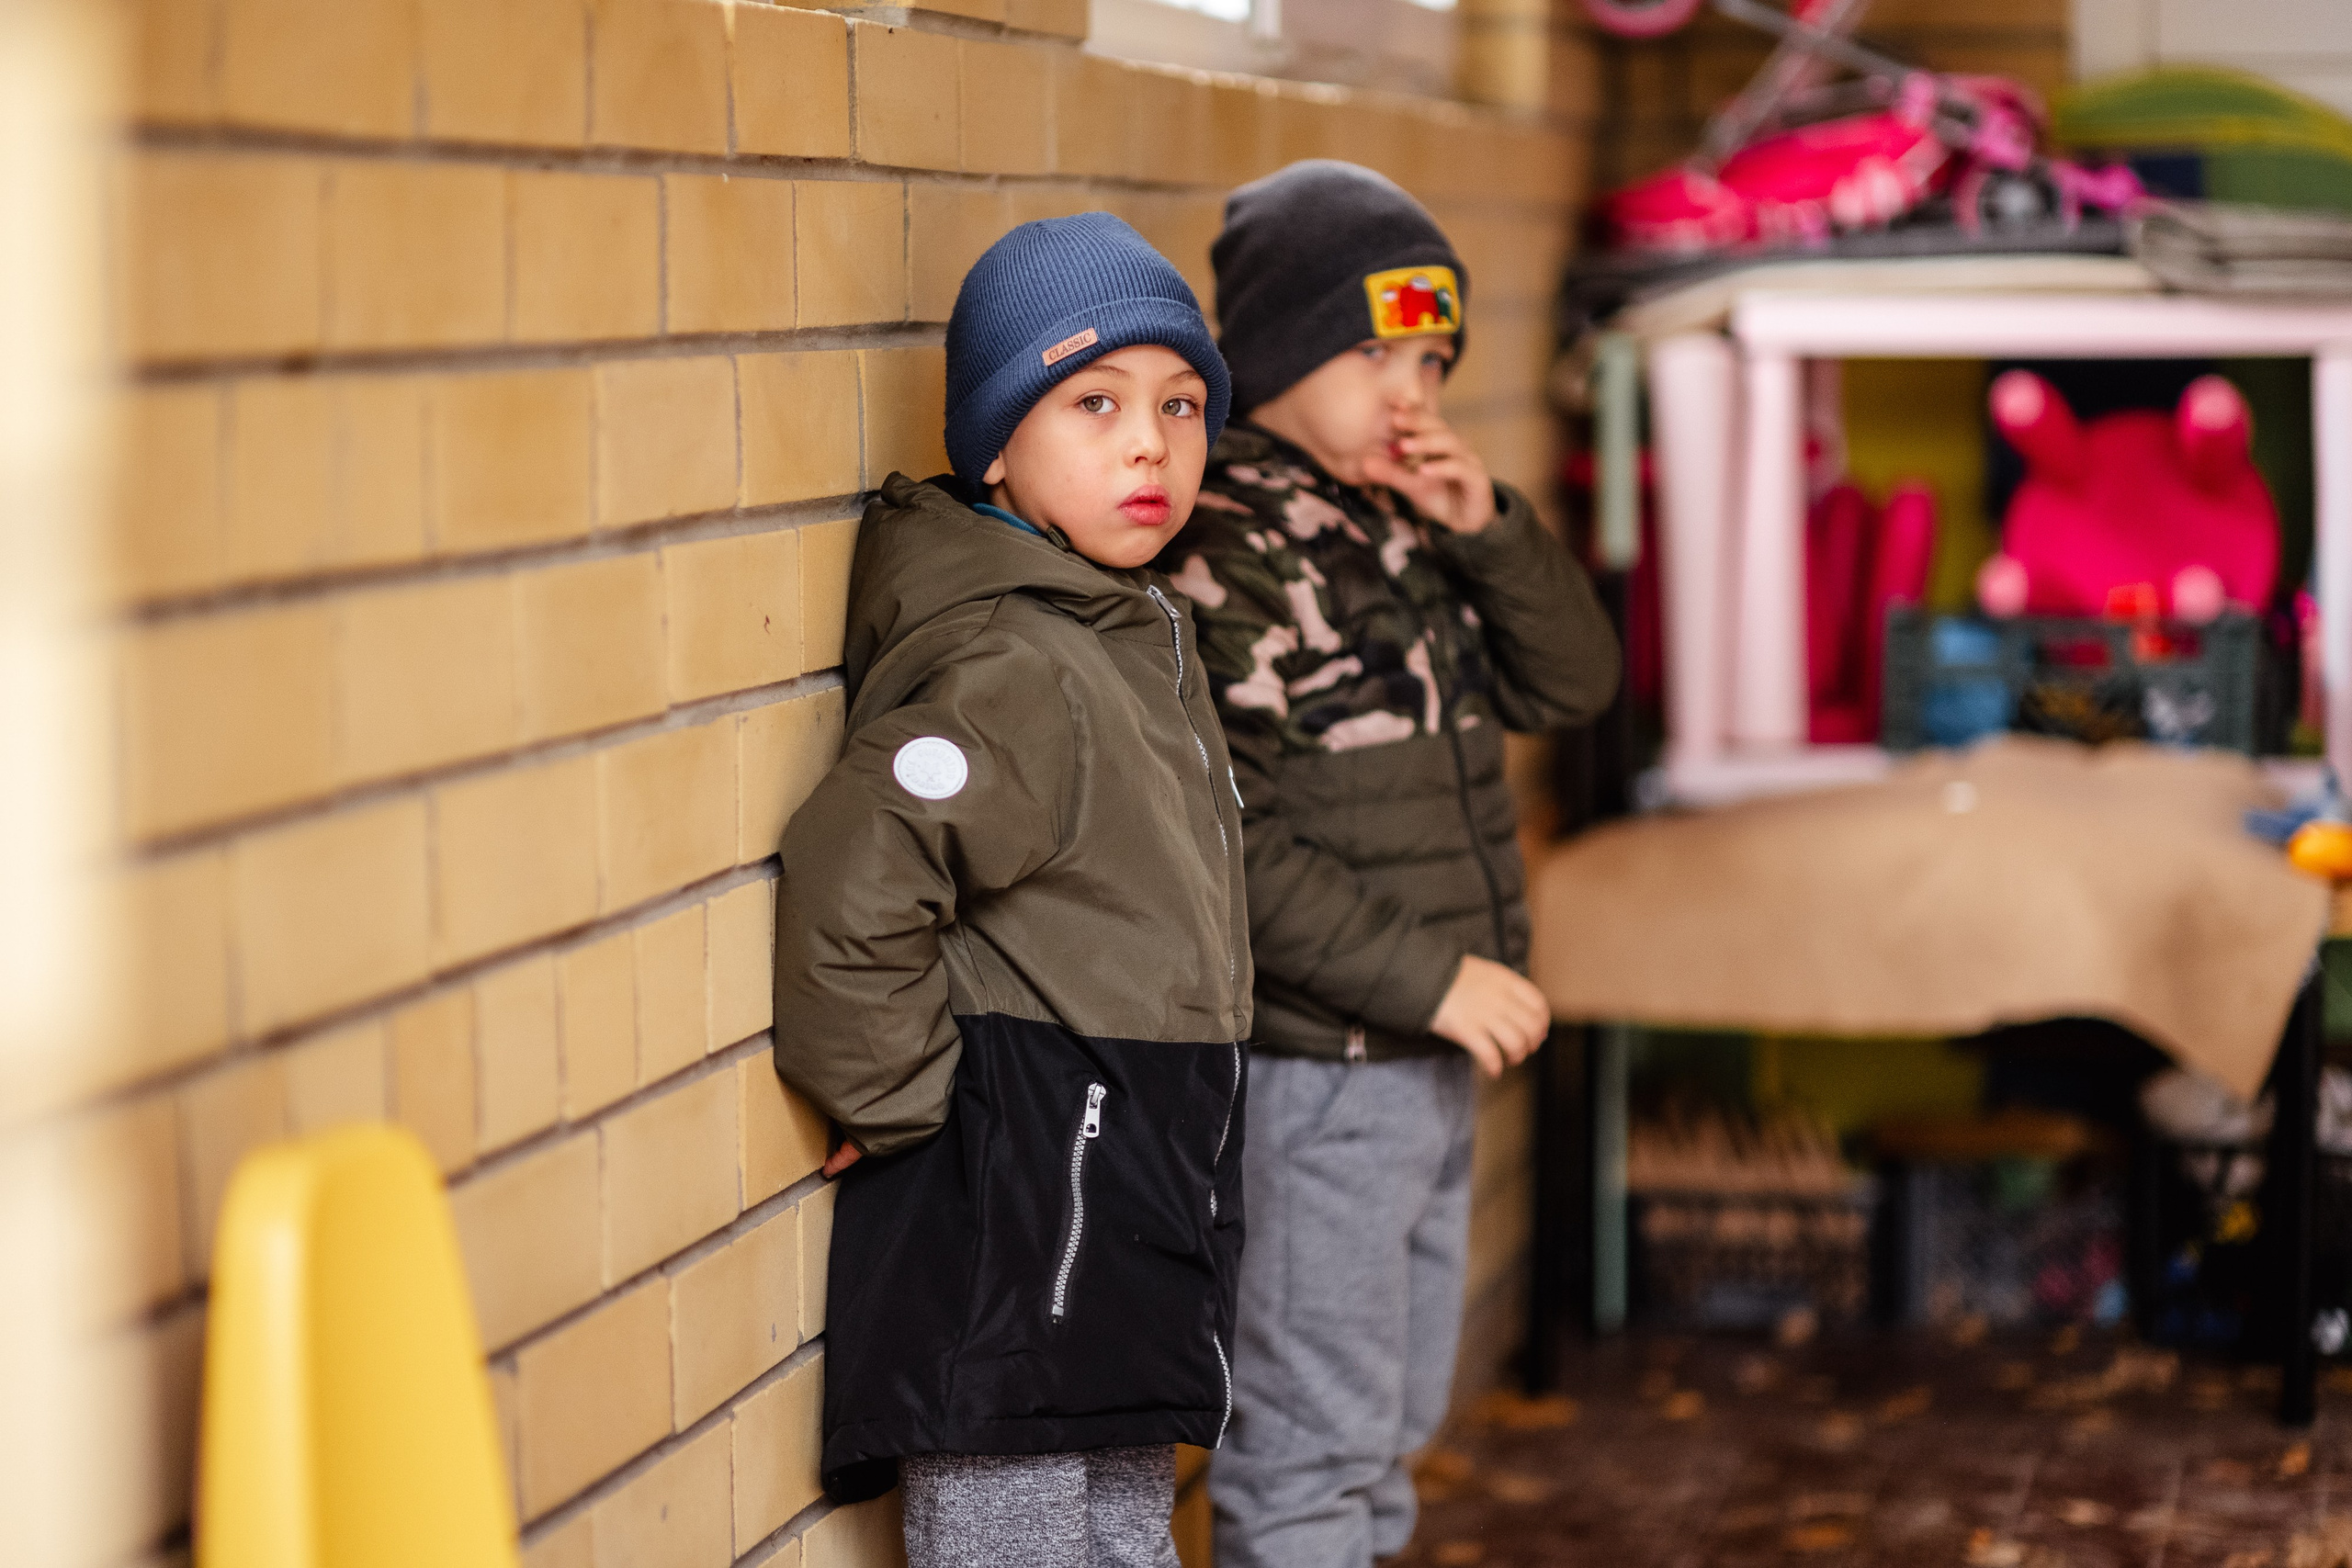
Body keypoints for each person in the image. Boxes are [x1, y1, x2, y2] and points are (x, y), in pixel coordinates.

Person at [1153, 160, 1622, 1567]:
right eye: (1375, 355)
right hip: (1324, 1069)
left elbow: (1576, 683)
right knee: (1310, 1451)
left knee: (1391, 1430)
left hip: (1421, 1061)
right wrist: (1433, 977)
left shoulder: (1411, 519)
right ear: (1283, 351)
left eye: (1431, 357)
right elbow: (1228, 849)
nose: (1411, 391)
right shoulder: (1213, 553)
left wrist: (1489, 531)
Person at [768, 212, 1251, 1568]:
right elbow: (854, 876)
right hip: (1034, 1187)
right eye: (1093, 402)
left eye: (1180, 404)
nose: (1150, 443)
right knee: (1021, 1539)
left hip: (1119, 1174)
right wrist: (899, 1104)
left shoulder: (1115, 630)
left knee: (1121, 1532)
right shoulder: (1017, 664)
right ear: (995, 447)